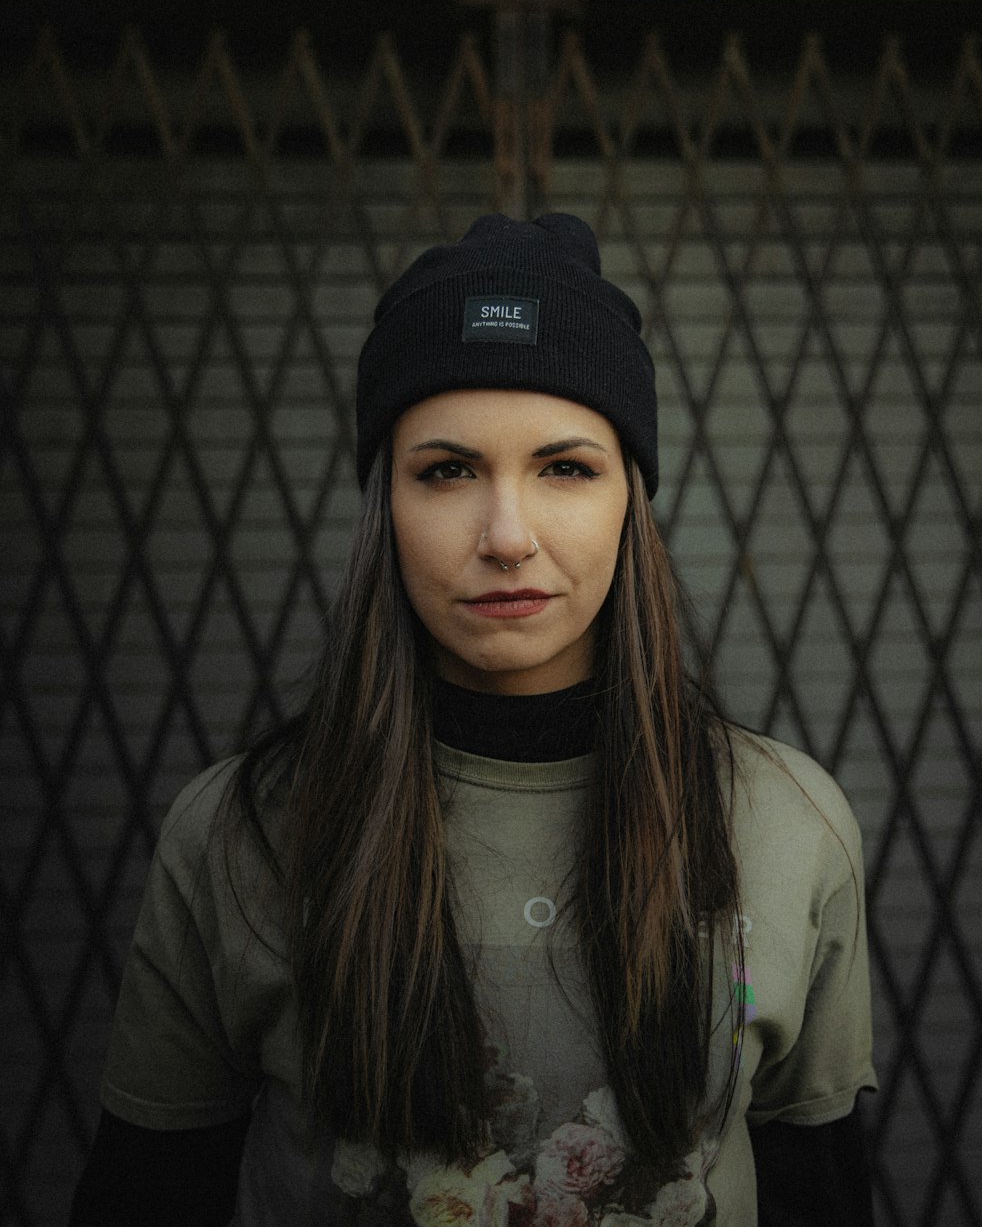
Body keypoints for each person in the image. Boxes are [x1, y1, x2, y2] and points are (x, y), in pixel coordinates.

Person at [70, 214, 877, 1226]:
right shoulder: (237, 832)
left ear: (632, 496)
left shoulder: (785, 821)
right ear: (386, 502)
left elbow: (820, 1186)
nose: (505, 535)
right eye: (447, 470)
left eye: (566, 467)